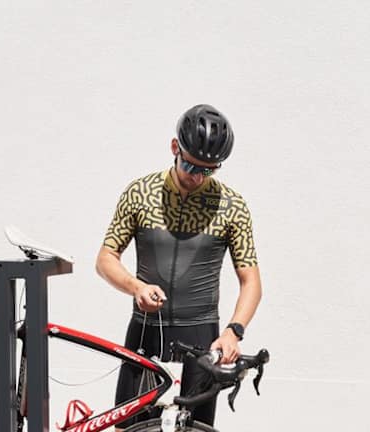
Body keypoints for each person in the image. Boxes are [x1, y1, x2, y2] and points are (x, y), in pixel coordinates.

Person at [95, 104, 262, 428]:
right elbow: (105, 259)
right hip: (145, 334)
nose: (196, 176)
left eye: (208, 171)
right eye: (190, 164)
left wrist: (234, 331)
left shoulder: (232, 206)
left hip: (200, 338)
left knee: (193, 429)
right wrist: (136, 287)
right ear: (175, 148)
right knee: (131, 427)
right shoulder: (140, 193)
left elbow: (251, 281)